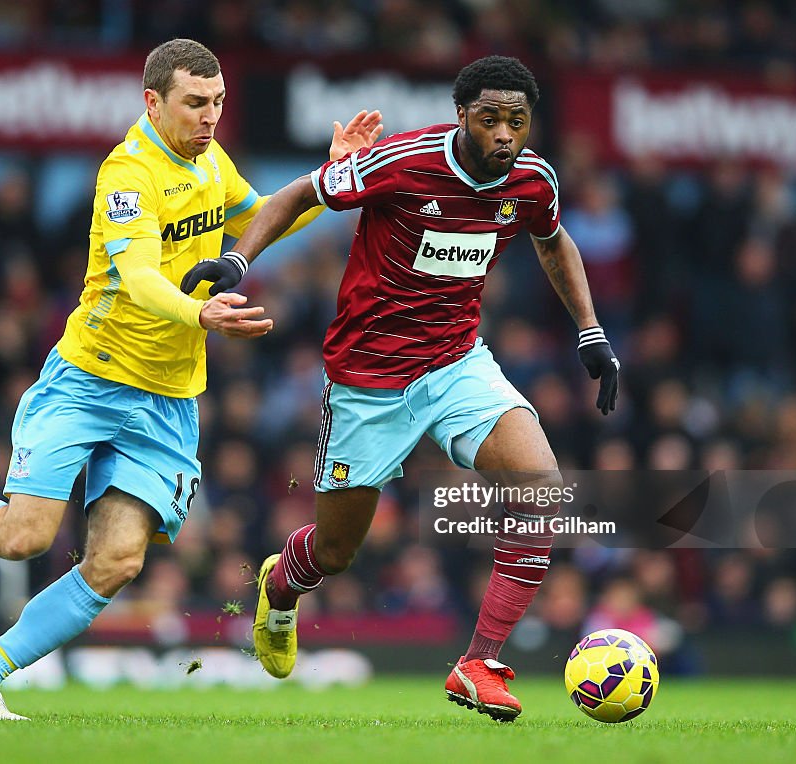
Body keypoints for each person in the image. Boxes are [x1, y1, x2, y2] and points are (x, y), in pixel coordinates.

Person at [0, 38, 382, 721]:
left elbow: (260, 215)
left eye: (219, 103)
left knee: (116, 562)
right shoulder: (128, 173)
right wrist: (199, 310)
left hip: (168, 399)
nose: (210, 117)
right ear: (154, 102)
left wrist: (329, 175)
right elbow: (141, 280)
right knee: (24, 535)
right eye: (195, 104)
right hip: (89, 381)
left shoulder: (210, 161)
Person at [182, 55, 619, 721]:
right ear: (462, 116)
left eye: (518, 121)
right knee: (336, 552)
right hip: (368, 382)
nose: (506, 134)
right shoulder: (401, 163)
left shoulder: (533, 180)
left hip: (456, 364)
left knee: (541, 492)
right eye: (490, 119)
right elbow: (300, 192)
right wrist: (240, 259)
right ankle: (281, 585)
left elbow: (553, 240)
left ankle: (478, 663)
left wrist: (589, 329)